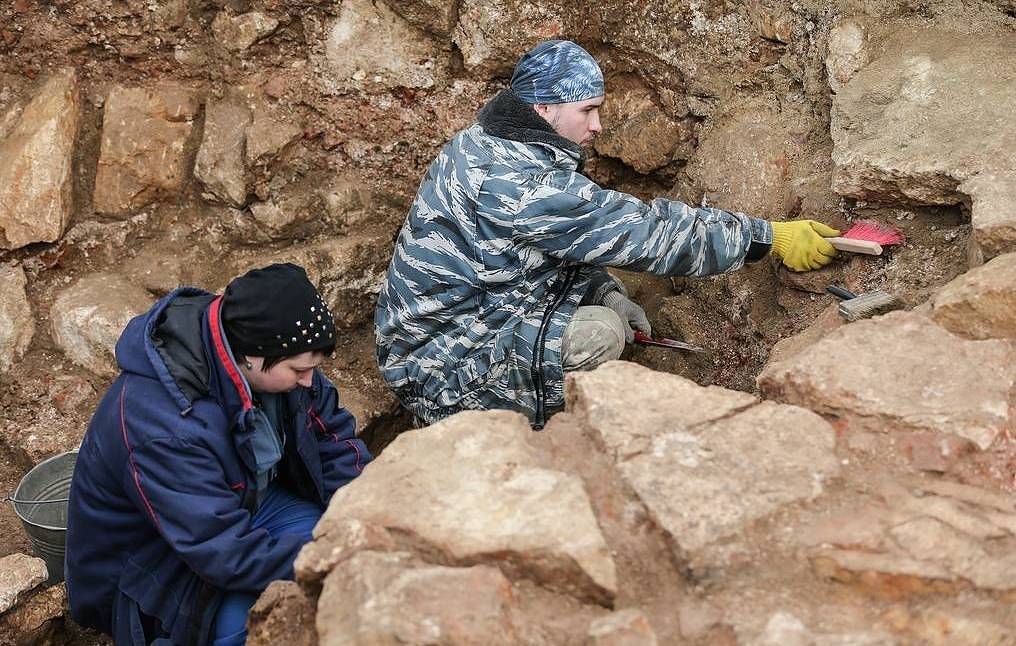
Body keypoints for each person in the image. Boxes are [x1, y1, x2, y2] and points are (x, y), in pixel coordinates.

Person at [374, 39, 840, 429]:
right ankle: (520, 435)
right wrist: (765, 237)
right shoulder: (522, 185)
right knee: (600, 332)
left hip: (457, 330)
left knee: (606, 306)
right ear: (543, 107)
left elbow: (543, 251)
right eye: (587, 110)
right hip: (439, 370)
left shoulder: (488, 140)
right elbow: (647, 233)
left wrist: (606, 290)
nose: (597, 125)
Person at [66, 263, 371, 646]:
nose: (309, 380)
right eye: (298, 370)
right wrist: (329, 557)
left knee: (340, 532)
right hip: (155, 565)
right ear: (253, 357)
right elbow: (224, 552)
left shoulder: (262, 349)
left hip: (241, 502)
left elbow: (332, 438)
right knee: (264, 620)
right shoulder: (164, 426)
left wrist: (371, 515)